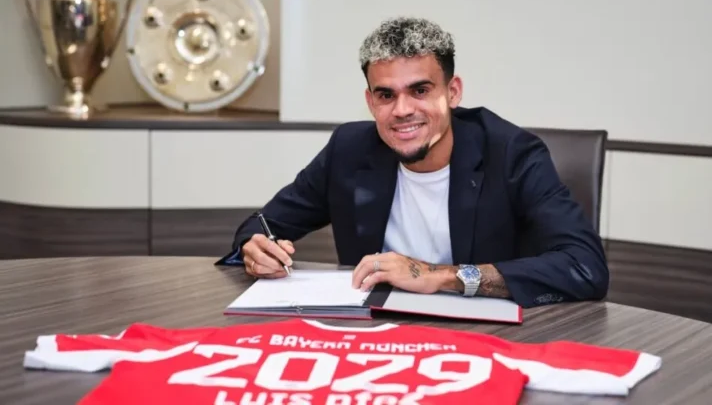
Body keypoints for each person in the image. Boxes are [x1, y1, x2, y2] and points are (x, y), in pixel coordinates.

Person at [219, 17, 608, 308]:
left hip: (486, 338)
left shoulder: (512, 153)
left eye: (420, 90)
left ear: (452, 93)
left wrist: (442, 277)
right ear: (370, 101)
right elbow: (262, 226)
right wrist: (256, 249)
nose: (402, 110)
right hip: (374, 337)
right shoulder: (349, 149)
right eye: (386, 95)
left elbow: (585, 267)